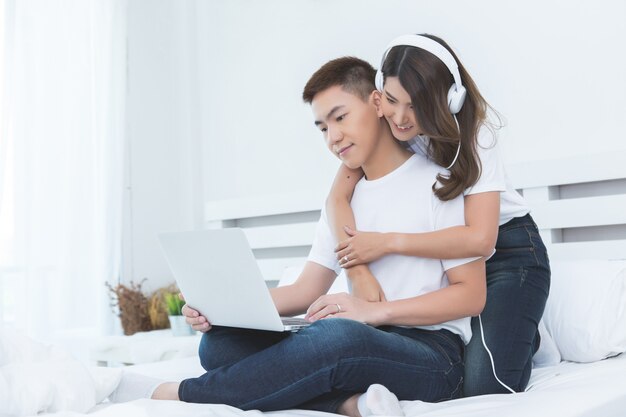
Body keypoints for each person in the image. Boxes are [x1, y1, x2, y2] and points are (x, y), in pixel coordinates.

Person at [108, 57, 487, 417]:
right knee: (220, 344)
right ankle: (346, 404)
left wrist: (374, 312)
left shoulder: (439, 183)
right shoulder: (341, 201)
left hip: (432, 355)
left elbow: (470, 295)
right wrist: (221, 311)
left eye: (341, 117)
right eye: (323, 127)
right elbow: (305, 290)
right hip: (360, 338)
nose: (333, 137)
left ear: (376, 104)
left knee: (337, 339)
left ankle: (175, 393)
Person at [326, 34, 551, 396]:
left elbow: (481, 238)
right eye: (393, 101)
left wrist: (386, 243)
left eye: (415, 106)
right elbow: (337, 197)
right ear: (380, 94)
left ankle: (524, 331)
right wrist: (357, 268)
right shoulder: (389, 124)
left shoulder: (476, 137)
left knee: (484, 385)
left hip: (509, 254)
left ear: (447, 99)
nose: (400, 118)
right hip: (452, 262)